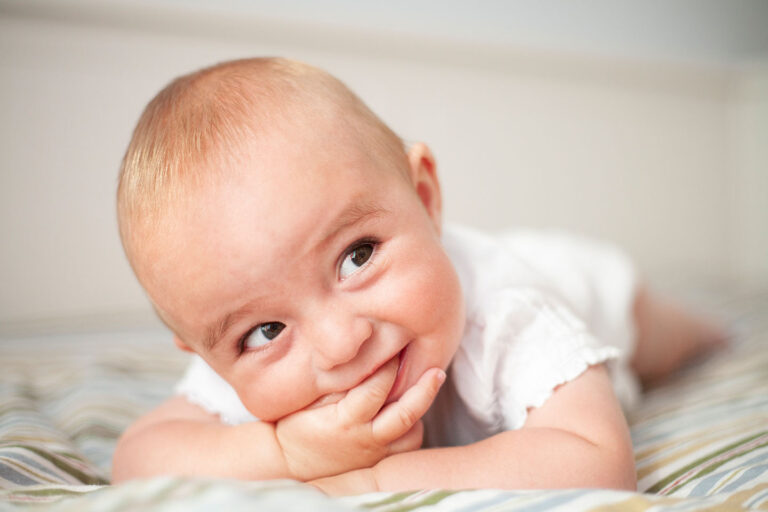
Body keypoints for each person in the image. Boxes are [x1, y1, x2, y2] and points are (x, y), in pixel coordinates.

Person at [112, 57, 725, 494]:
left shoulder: (510, 315)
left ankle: (713, 327)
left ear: (424, 196)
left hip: (590, 285)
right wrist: (285, 453)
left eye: (358, 256)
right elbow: (138, 459)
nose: (340, 342)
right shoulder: (247, 362)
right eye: (267, 330)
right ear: (204, 351)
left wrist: (377, 479)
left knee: (667, 340)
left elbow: (596, 462)